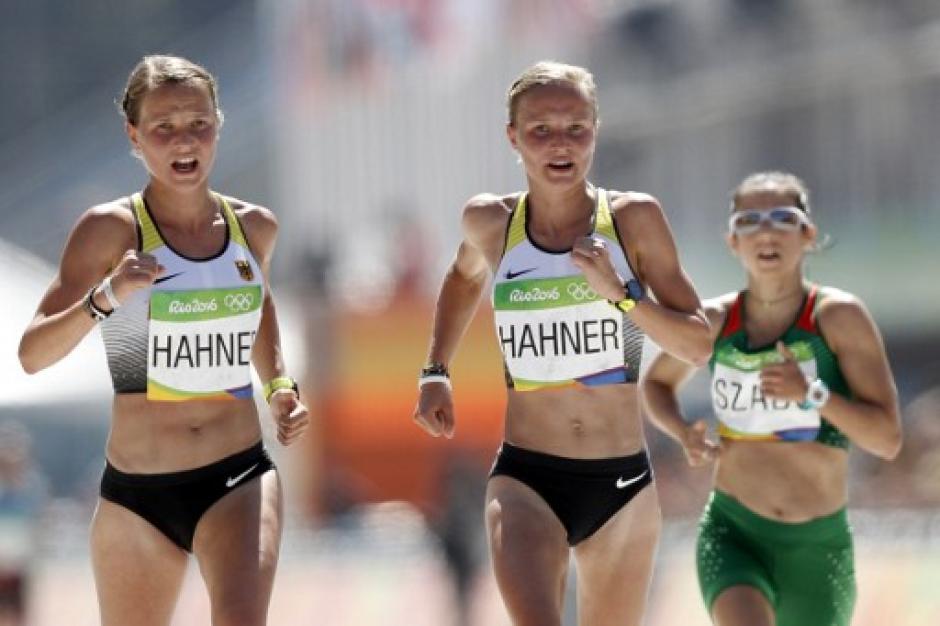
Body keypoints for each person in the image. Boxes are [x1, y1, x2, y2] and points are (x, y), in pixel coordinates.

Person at [412, 60, 712, 626]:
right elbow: (463, 277)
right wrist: (435, 371)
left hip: (621, 482)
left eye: (577, 128)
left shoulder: (633, 220)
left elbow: (698, 344)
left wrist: (623, 296)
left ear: (596, 130)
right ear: (513, 137)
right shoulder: (491, 222)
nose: (560, 144)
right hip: (527, 478)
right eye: (541, 130)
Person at [17, 55, 310, 626]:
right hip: (138, 495)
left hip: (238, 475)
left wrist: (279, 386)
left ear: (218, 125)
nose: (184, 141)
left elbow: (260, 307)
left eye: (199, 124)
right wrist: (106, 296)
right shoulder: (110, 230)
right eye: (164, 127)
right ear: (134, 135)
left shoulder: (254, 227)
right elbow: (32, 354)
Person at [640, 171, 902, 626]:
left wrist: (812, 394)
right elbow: (655, 385)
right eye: (749, 221)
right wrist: (683, 431)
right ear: (733, 242)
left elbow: (887, 440)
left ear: (807, 234)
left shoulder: (838, 318)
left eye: (782, 218)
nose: (765, 232)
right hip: (734, 532)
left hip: (817, 547)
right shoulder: (715, 322)